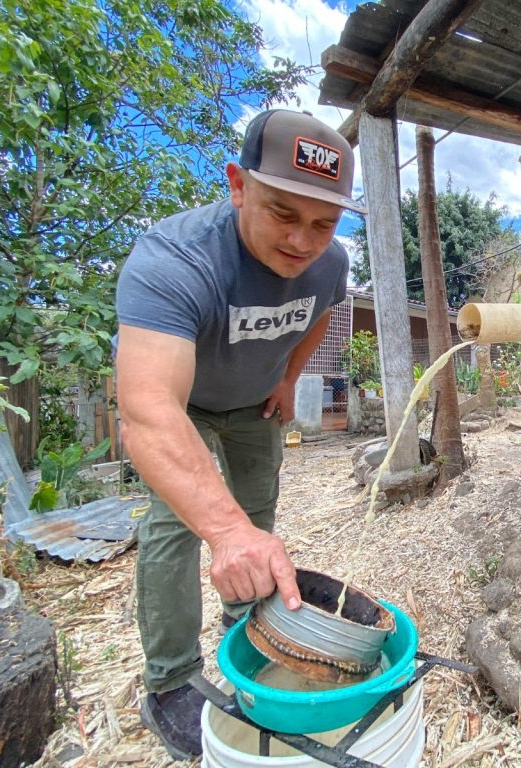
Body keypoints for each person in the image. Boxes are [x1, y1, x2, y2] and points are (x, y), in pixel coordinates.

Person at [115, 109, 365, 759]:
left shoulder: (329, 262)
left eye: (324, 223)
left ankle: (244, 633)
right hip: (186, 407)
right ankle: (168, 681)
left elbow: (320, 312)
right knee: (179, 527)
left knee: (258, 513)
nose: (303, 242)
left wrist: (288, 378)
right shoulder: (174, 259)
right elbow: (146, 410)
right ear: (236, 184)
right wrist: (221, 531)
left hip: (256, 404)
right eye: (283, 213)